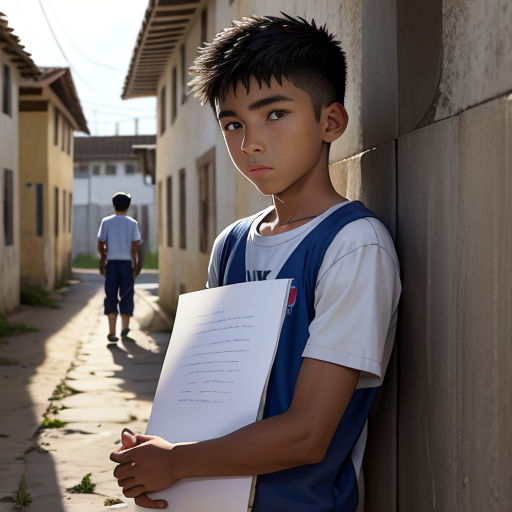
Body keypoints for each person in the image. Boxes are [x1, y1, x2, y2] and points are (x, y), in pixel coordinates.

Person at [110, 14, 401, 511]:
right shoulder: (232, 244)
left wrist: (178, 461)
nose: (250, 144)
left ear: (330, 121)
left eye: (275, 114)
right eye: (232, 124)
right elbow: (209, 396)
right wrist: (159, 460)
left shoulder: (353, 247)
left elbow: (308, 434)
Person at [98, 191, 141, 343]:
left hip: (111, 263)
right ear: (128, 206)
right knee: (127, 294)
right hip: (126, 264)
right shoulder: (132, 223)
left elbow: (101, 242)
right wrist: (134, 263)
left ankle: (111, 332)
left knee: (110, 295)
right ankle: (124, 328)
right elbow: (135, 246)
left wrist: (103, 259)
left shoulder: (106, 222)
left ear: (113, 205)